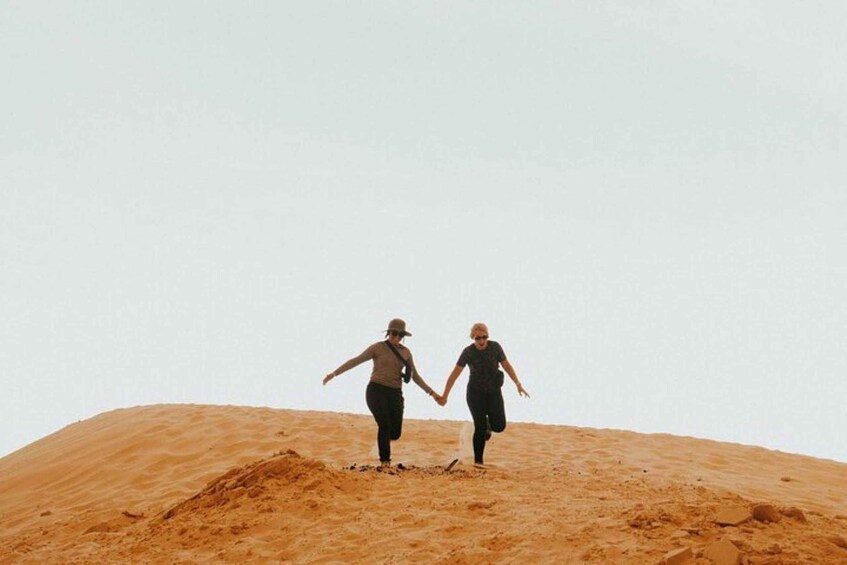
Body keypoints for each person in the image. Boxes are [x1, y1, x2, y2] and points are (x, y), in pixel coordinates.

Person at [323, 318, 441, 466]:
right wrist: (334, 374)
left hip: (395, 393)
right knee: (384, 425)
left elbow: (415, 376)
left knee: (395, 433)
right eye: (394, 333)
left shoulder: (406, 353)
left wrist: (433, 394)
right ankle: (385, 462)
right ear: (388, 333)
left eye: (400, 335)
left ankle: (383, 441)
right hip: (376, 390)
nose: (396, 337)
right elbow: (356, 360)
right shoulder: (378, 348)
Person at [438, 322, 529, 466]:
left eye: (484, 337)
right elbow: (454, 374)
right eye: (478, 338)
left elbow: (507, 366)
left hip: (494, 392)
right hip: (475, 393)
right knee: (480, 427)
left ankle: (488, 424)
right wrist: (445, 395)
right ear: (473, 338)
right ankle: (478, 462)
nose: (481, 341)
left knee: (499, 426)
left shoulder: (495, 347)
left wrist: (518, 384)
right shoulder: (468, 352)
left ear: (488, 336)